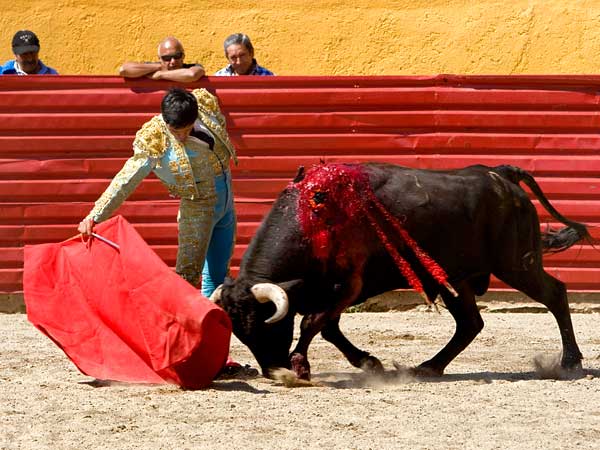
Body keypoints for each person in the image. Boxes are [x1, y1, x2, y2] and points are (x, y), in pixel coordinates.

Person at [78, 87, 255, 377]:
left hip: (226, 203)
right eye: (176, 132)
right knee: (187, 280)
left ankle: (214, 355)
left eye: (185, 130)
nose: (181, 137)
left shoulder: (205, 106)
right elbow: (127, 178)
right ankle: (182, 351)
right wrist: (95, 214)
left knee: (216, 278)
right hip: (197, 209)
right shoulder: (154, 137)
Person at [119, 37, 205, 82]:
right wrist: (159, 67)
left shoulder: (193, 67)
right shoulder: (154, 68)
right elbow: (124, 70)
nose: (173, 61)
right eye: (167, 58)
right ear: (159, 58)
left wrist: (161, 75)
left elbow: (192, 75)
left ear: (183, 56)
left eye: (177, 56)